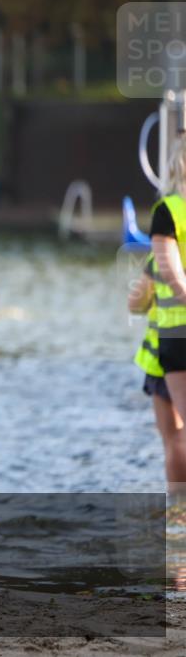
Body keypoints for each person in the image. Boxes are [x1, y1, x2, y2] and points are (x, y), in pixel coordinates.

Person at [146, 139, 186, 492]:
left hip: (173, 337)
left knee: (176, 439)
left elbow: (170, 279)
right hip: (174, 340)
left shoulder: (169, 210)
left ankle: (177, 516)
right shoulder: (170, 211)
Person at [129, 255, 186, 485]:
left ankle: (178, 512)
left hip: (160, 357)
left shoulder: (161, 258)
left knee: (172, 440)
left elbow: (135, 304)